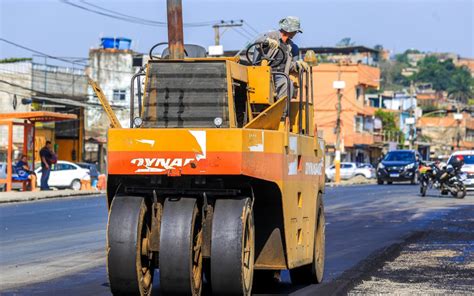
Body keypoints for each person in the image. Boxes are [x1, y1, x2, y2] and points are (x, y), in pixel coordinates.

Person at [256, 16, 309, 100]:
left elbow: (287, 65)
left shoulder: (291, 46)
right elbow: (257, 42)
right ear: (290, 30)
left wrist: (297, 65)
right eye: (295, 31)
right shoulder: (272, 35)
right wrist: (267, 42)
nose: (296, 33)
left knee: (288, 83)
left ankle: (283, 111)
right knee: (285, 82)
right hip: (264, 72)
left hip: (280, 75)